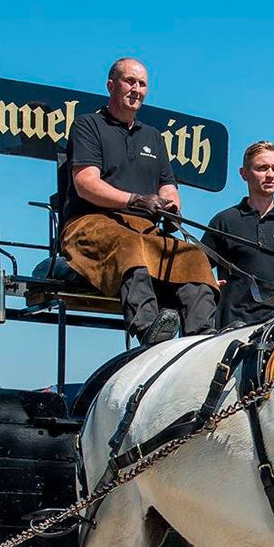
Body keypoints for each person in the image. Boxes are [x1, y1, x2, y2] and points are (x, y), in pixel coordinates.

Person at [60, 57, 218, 345]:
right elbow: (85, 183)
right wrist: (134, 199)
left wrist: (171, 207)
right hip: (91, 224)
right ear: (111, 85)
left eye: (142, 83)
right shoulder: (89, 125)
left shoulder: (153, 137)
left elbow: (168, 185)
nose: (136, 89)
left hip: (145, 229)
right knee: (130, 245)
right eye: (129, 81)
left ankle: (201, 340)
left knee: (193, 256)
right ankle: (150, 330)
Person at [202, 141, 274, 329]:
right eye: (262, 168)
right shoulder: (224, 220)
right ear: (244, 174)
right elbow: (198, 267)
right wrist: (207, 283)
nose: (270, 174)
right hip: (232, 328)